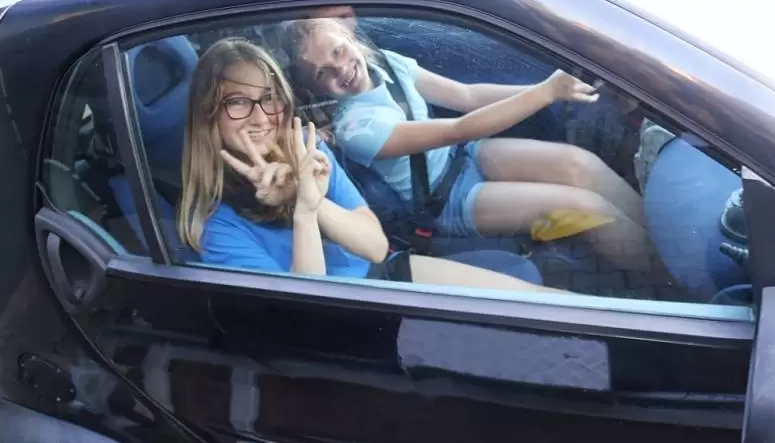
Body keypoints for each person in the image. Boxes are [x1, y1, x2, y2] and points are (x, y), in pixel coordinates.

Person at [176, 37, 565, 293]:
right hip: (355, 320)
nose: (262, 117)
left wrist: (305, 196)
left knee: (547, 303)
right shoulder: (215, 225)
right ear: (208, 115)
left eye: (269, 98)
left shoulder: (308, 151)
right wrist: (304, 213)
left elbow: (376, 249)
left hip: (384, 275)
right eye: (238, 103)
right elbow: (309, 311)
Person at [279, 16, 660, 272]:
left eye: (338, 50)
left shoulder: (387, 63)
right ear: (314, 87)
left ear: (349, 38)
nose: (341, 68)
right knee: (586, 208)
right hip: (444, 200)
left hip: (463, 157)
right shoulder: (355, 128)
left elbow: (467, 96)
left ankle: (666, 240)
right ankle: (664, 277)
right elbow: (459, 128)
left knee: (578, 165)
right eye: (323, 73)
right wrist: (544, 93)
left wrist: (552, 90)